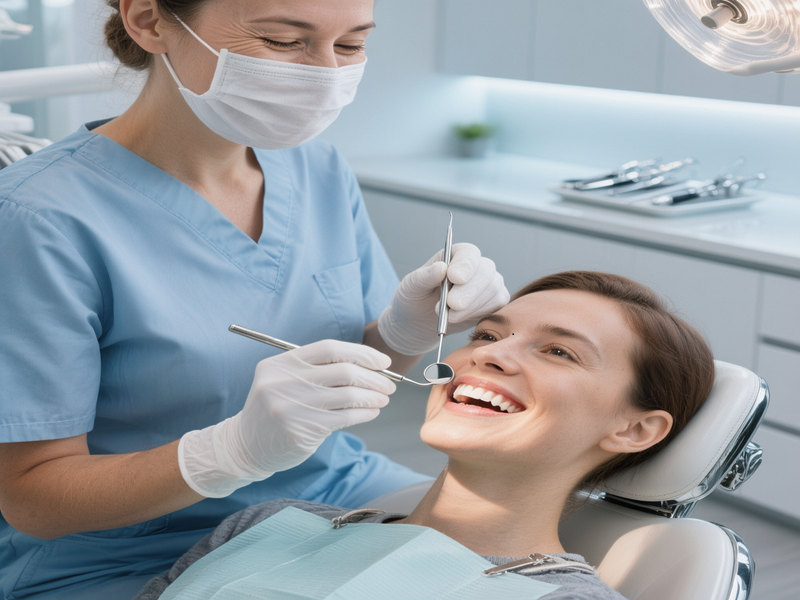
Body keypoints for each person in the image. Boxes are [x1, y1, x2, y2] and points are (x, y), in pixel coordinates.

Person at [0, 0, 509, 598]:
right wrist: (229, 452)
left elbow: (352, 382)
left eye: (349, 46)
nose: (323, 72)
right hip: (131, 553)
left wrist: (401, 334)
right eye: (283, 41)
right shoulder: (37, 218)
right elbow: (35, 500)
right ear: (149, 21)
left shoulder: (316, 166)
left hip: (330, 495)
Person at [133, 271, 716, 600]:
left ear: (635, 428)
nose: (492, 356)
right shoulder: (267, 522)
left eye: (558, 351)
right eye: (487, 335)